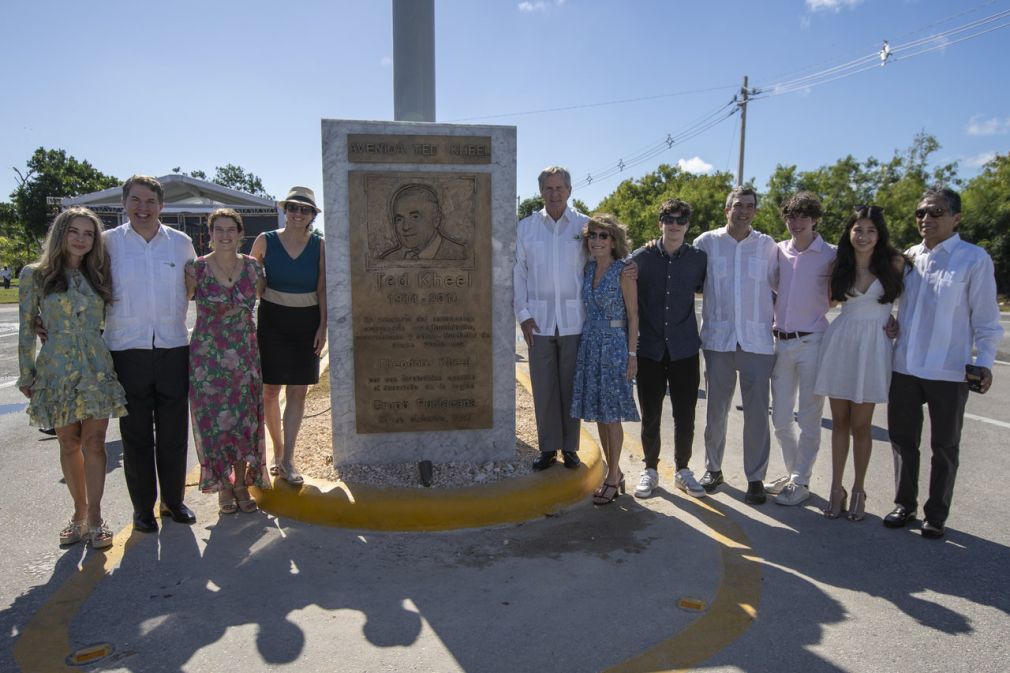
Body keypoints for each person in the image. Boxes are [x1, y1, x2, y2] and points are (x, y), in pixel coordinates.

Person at [884, 186, 1003, 538]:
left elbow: (986, 319)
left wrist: (984, 363)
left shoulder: (973, 258)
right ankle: (904, 504)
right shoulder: (908, 257)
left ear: (956, 218)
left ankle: (935, 514)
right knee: (903, 440)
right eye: (921, 213)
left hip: (949, 369)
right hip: (904, 365)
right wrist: (890, 322)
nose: (926, 219)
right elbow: (892, 303)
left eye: (935, 212)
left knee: (944, 445)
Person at [17, 207, 127, 548]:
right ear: (61, 233)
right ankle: (78, 514)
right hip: (57, 368)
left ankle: (95, 517)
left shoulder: (100, 273)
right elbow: (25, 327)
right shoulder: (35, 275)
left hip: (95, 364)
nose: (81, 239)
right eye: (74, 231)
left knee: (95, 442)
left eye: (89, 233)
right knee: (69, 443)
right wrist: (27, 372)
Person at [105, 175, 197, 532]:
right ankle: (142, 508)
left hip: (173, 346)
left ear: (162, 206)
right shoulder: (108, 244)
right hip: (127, 349)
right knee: (136, 433)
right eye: (136, 200)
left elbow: (190, 289)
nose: (143, 208)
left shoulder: (180, 243)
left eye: (150, 202)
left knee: (174, 431)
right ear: (124, 203)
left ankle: (173, 502)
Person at [814, 206, 905, 520]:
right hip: (841, 343)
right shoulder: (840, 264)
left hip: (874, 346)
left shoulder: (895, 262)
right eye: (858, 230)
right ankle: (835, 489)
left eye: (870, 230)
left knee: (861, 425)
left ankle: (858, 489)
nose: (863, 236)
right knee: (839, 423)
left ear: (879, 234)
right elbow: (827, 301)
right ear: (849, 233)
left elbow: (914, 303)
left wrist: (894, 321)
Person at [694, 186, 779, 504]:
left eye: (750, 206)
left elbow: (784, 285)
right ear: (726, 209)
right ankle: (713, 469)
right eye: (737, 205)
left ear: (755, 211)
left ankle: (755, 477)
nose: (743, 211)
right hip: (718, 339)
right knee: (716, 410)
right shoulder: (706, 243)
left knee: (757, 413)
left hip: (757, 341)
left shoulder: (767, 246)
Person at [186, 209, 269, 514]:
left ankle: (241, 484)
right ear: (210, 234)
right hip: (208, 358)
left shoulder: (253, 269)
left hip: (245, 354)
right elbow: (175, 307)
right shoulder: (195, 270)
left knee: (242, 419)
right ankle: (223, 485)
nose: (224, 235)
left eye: (230, 230)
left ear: (239, 233)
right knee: (214, 422)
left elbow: (264, 301)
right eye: (218, 230)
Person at [630, 198, 708, 499]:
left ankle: (683, 470)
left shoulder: (699, 259)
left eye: (680, 219)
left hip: (685, 348)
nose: (674, 224)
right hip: (649, 348)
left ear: (688, 224)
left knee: (685, 413)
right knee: (650, 413)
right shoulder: (641, 258)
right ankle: (650, 469)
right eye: (668, 219)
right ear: (660, 222)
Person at [514, 166, 590, 472]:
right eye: (548, 189)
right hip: (539, 322)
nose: (554, 194)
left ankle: (570, 448)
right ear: (541, 192)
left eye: (560, 188)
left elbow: (602, 262)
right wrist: (523, 314)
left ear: (569, 191)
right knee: (544, 386)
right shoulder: (526, 228)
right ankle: (547, 448)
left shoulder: (585, 225)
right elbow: (518, 272)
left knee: (571, 387)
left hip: (575, 320)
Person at [250, 186, 327, 486]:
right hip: (272, 321)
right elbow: (251, 280)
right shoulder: (265, 241)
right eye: (293, 207)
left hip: (306, 322)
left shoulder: (320, 245)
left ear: (312, 216)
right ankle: (276, 451)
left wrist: (323, 326)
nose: (298, 213)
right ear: (285, 209)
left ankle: (289, 459)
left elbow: (322, 289)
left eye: (305, 209)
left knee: (298, 391)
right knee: (270, 391)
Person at [766, 192, 836, 506]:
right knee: (781, 417)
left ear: (815, 219)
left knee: (809, 417)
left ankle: (801, 480)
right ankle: (795, 472)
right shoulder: (778, 251)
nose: (797, 223)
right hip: (781, 341)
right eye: (791, 217)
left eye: (803, 217)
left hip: (813, 342)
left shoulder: (831, 254)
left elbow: (842, 291)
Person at [570, 214, 640, 504]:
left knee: (612, 415)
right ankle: (616, 471)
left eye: (603, 236)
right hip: (590, 345)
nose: (597, 241)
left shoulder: (624, 271)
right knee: (599, 412)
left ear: (614, 241)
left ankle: (612, 477)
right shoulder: (587, 269)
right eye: (593, 235)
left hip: (613, 345)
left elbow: (634, 315)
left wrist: (632, 354)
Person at [378, 183, 466, 261]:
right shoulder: (389, 260)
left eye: (415, 217)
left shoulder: (462, 255)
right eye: (399, 219)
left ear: (436, 219)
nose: (405, 227)